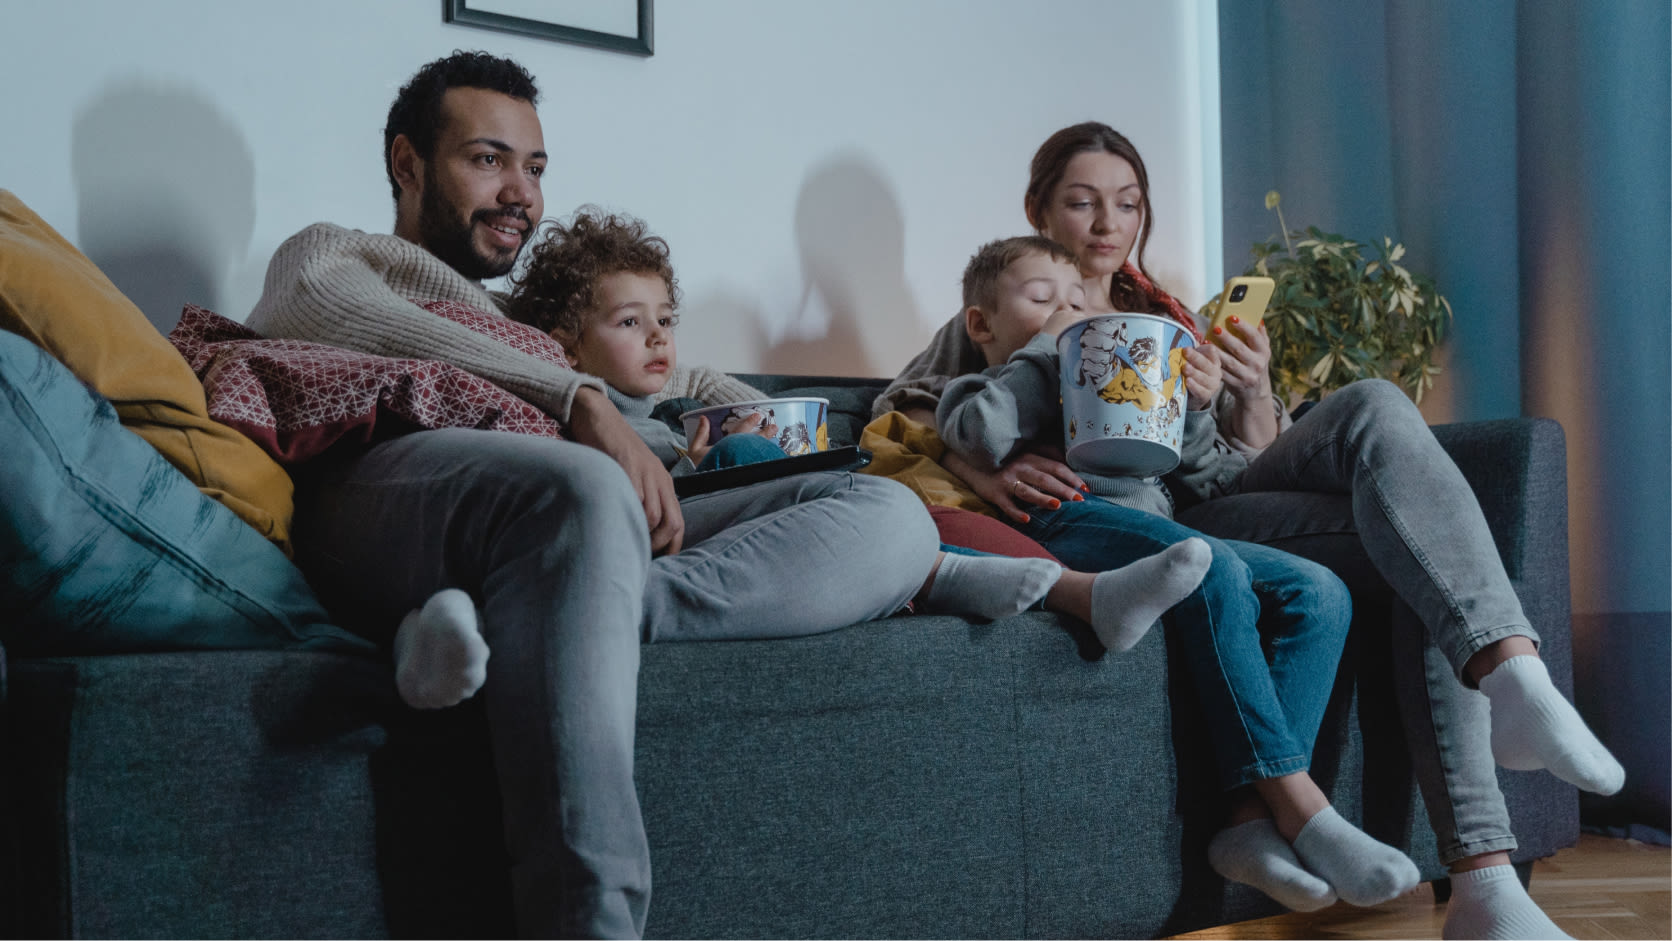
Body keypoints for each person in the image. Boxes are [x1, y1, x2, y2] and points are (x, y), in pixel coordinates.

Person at [241, 51, 941, 939]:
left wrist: (765, 417)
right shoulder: (338, 253)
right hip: (394, 488)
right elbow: (323, 309)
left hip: (559, 524)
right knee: (581, 488)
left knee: (887, 513)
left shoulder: (528, 334)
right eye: (487, 159)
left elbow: (674, 367)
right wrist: (579, 402)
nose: (519, 192)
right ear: (407, 163)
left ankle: (565, 610)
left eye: (533, 168)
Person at [879, 120, 1624, 940]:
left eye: (1126, 204)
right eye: (1081, 202)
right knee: (1395, 504)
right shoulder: (1019, 296)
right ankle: (1506, 692)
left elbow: (1237, 460)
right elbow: (901, 408)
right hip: (1156, 520)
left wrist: (1246, 393)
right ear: (1038, 209)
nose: (1106, 224)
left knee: (1389, 454)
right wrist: (989, 467)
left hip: (1220, 492)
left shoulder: (1168, 316)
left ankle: (1486, 872)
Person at [930, 233, 1425, 911]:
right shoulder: (985, 381)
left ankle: (1248, 822)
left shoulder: (1117, 368)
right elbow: (979, 435)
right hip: (1062, 519)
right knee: (1209, 565)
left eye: (1077, 299)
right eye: (1042, 298)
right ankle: (1301, 806)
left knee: (1318, 591)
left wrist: (1193, 402)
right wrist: (1051, 347)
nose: (1068, 309)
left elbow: (1183, 463)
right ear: (981, 323)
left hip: (1164, 525)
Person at [502, 206, 1213, 648]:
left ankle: (957, 579)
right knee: (766, 456)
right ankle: (980, 579)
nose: (659, 339)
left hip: (739, 519)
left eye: (666, 321)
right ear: (564, 345)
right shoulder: (574, 411)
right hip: (664, 529)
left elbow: (711, 387)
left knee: (792, 463)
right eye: (630, 323)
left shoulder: (673, 402)